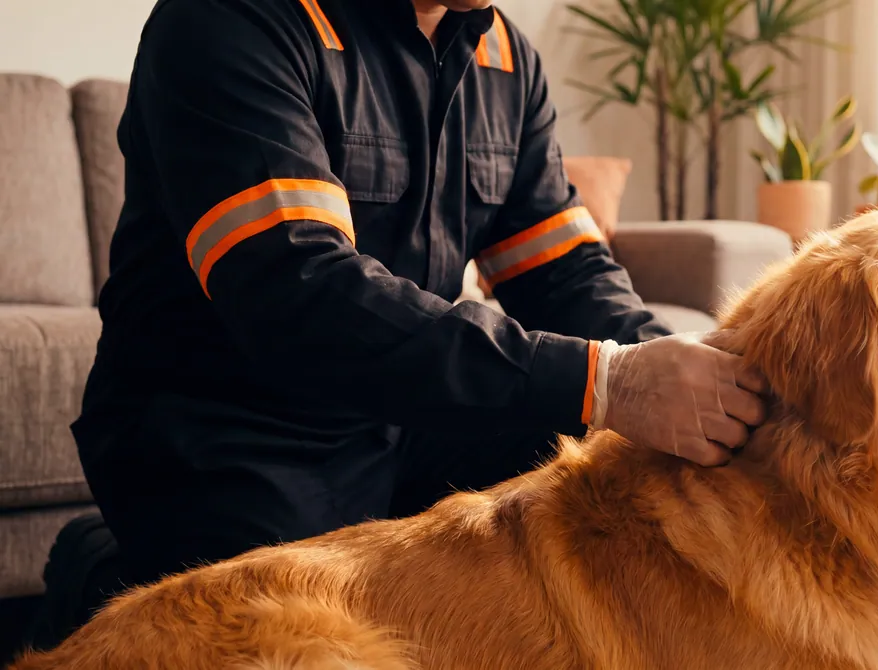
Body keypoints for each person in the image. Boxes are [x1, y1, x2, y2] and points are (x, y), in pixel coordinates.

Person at [27, 0, 769, 649]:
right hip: (230, 432)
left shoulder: (505, 56)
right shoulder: (231, 19)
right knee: (281, 626)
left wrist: (691, 378)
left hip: (404, 417)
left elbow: (563, 268)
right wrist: (604, 381)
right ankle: (99, 568)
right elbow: (302, 296)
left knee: (628, 473)